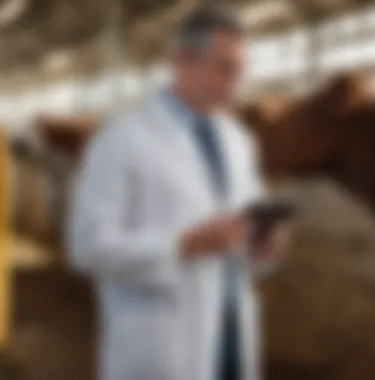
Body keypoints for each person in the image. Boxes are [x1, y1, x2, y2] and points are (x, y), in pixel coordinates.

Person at [67, 7, 289, 380]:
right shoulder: (121, 139)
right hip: (162, 347)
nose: (236, 83)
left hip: (232, 335)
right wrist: (182, 245)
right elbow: (87, 247)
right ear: (183, 60)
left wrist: (262, 247)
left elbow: (245, 231)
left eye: (240, 70)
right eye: (224, 68)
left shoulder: (238, 141)